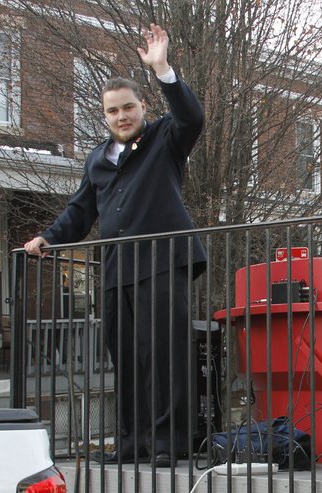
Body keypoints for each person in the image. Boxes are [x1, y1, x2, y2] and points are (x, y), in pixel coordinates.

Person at [24, 24, 206, 467]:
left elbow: (192, 119)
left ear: (142, 107)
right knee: (123, 356)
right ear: (104, 116)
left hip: (164, 263)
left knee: (164, 353)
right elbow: (81, 211)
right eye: (113, 111)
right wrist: (49, 236)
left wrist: (163, 69)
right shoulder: (97, 160)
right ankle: (132, 442)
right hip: (118, 270)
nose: (121, 116)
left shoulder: (164, 138)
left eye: (128, 108)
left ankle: (167, 443)